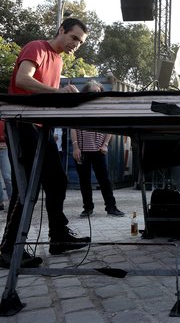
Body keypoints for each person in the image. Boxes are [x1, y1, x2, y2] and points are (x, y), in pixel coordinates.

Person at [0, 18, 91, 269]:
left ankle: (58, 237)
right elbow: (22, 80)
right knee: (25, 186)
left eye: (80, 42)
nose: (76, 45)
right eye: (73, 38)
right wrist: (58, 93)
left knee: (57, 180)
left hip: (41, 127)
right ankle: (8, 249)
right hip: (21, 124)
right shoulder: (36, 47)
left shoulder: (59, 60)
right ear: (61, 30)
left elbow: (45, 95)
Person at [71, 80, 124, 218]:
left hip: (99, 151)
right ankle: (87, 208)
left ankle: (111, 207)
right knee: (84, 181)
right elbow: (73, 127)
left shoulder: (104, 108)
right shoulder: (80, 107)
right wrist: (76, 147)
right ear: (87, 92)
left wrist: (105, 144)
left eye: (98, 91)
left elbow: (110, 128)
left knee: (104, 180)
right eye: (93, 91)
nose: (96, 94)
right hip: (82, 150)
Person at [0, 120, 12, 211]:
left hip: (4, 147)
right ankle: (0, 201)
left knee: (7, 176)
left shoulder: (4, 117)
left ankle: (12, 200)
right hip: (4, 147)